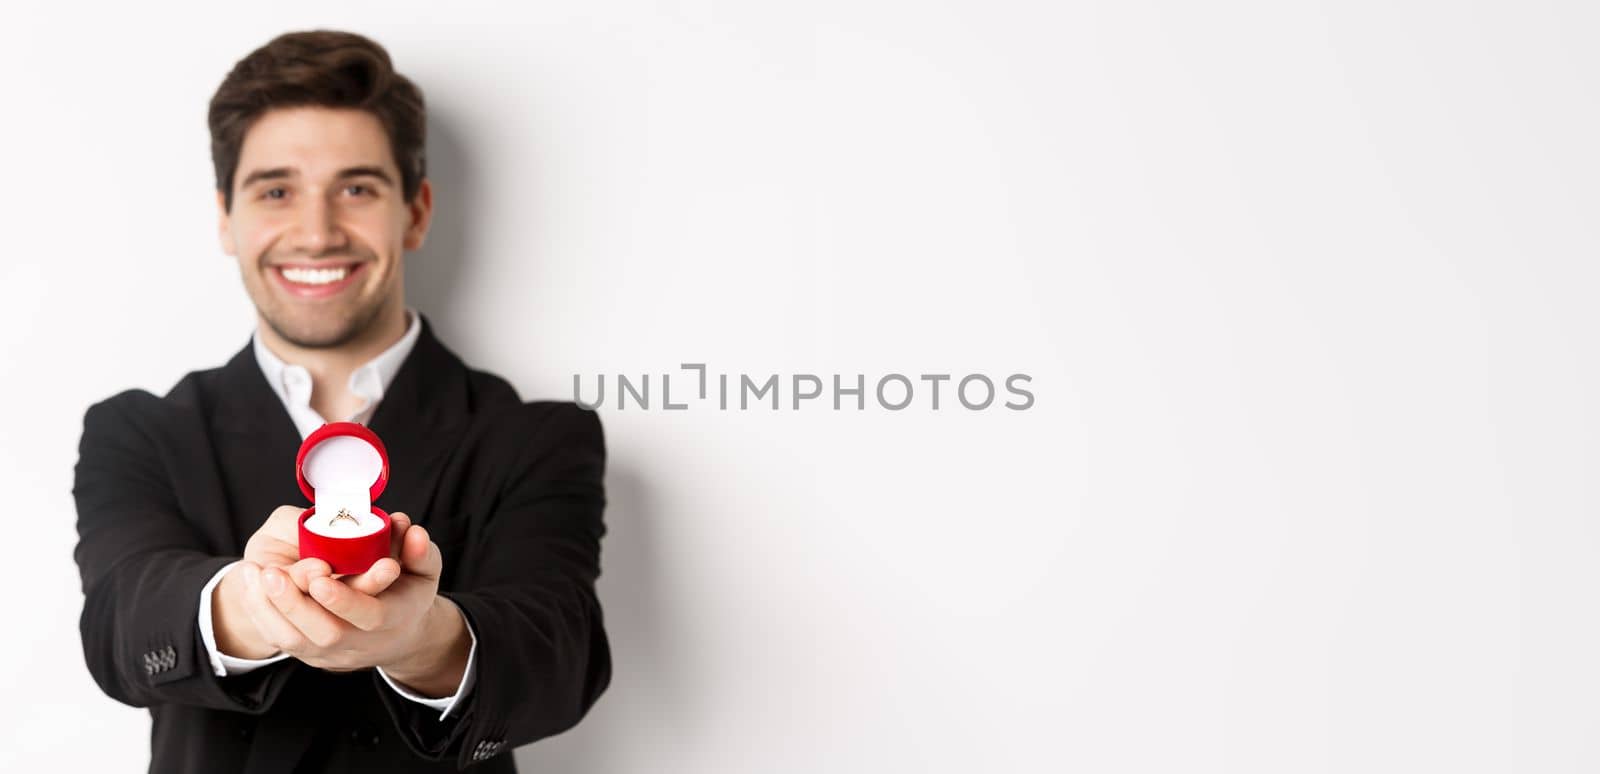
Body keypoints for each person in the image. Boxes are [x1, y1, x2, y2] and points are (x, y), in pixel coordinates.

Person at [70, 29, 611, 773]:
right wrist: (251, 607)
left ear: (416, 212)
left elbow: (563, 655)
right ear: (226, 217)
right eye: (276, 191)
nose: (317, 232)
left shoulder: (532, 436)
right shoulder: (141, 432)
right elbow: (118, 630)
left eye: (356, 188)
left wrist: (421, 640)